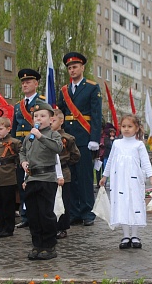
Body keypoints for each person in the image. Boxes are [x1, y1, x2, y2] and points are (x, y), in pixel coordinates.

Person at [57, 52, 102, 226]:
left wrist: (95, 139)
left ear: (82, 68)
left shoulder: (92, 87)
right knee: (71, 176)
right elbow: (60, 113)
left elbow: (96, 115)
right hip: (67, 139)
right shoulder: (64, 90)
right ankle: (74, 212)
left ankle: (87, 212)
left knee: (84, 177)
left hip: (84, 137)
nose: (72, 70)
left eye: (75, 67)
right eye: (69, 68)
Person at [99, 114, 152, 249]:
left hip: (135, 181)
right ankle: (125, 235)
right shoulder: (117, 144)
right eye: (124, 126)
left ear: (136, 128)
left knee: (134, 203)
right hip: (120, 181)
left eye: (130, 126)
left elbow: (146, 162)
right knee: (122, 204)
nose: (126, 129)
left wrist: (151, 176)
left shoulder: (139, 145)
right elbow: (111, 160)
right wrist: (104, 176)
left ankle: (135, 235)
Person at [20, 101, 64, 260]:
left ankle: (49, 245)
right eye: (36, 116)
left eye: (43, 116)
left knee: (45, 213)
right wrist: (23, 161)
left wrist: (41, 136)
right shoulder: (28, 137)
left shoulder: (53, 134)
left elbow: (58, 148)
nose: (38, 118)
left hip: (47, 179)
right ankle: (37, 244)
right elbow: (23, 151)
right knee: (33, 214)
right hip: (32, 178)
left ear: (51, 119)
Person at [11, 68, 45, 228]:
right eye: (23, 82)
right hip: (21, 147)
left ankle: (37, 214)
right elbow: (14, 128)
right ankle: (25, 216)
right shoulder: (18, 106)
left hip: (36, 146)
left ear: (36, 84)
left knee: (36, 181)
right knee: (22, 181)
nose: (25, 84)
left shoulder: (42, 102)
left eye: (28, 82)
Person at [0, 116, 23, 238]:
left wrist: (15, 165)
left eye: (1, 129)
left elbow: (21, 156)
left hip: (8, 176)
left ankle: (8, 228)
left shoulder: (15, 142)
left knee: (8, 204)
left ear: (8, 129)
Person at [52, 108, 80, 239]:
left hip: (63, 172)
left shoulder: (67, 138)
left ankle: (62, 227)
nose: (51, 122)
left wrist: (66, 163)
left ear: (61, 121)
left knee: (63, 200)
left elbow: (76, 155)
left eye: (54, 120)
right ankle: (51, 226)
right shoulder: (44, 136)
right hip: (48, 172)